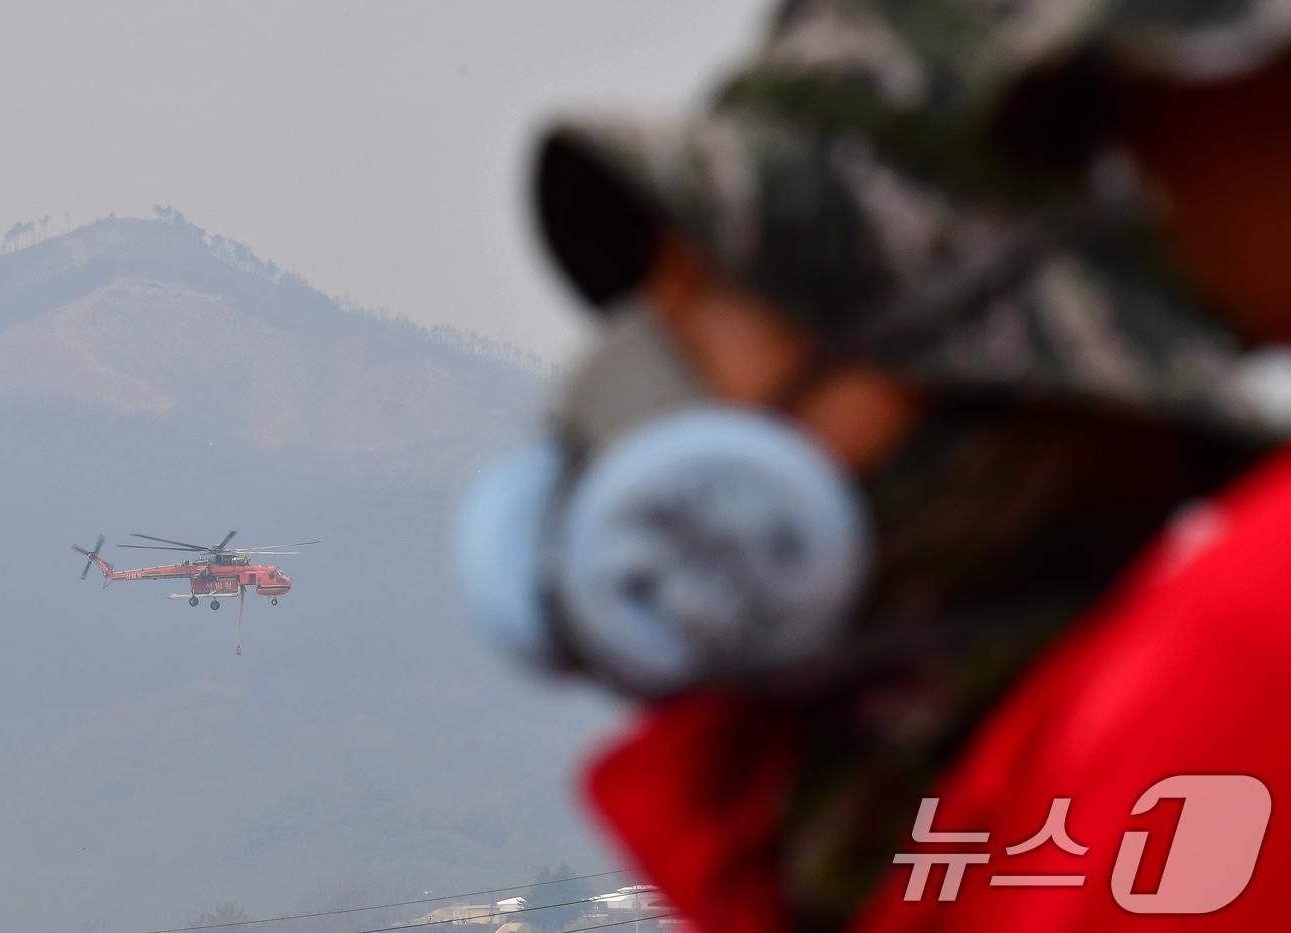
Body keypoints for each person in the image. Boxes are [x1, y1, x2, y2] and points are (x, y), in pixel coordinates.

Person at [458, 2, 1291, 930]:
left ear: (970, 333)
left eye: (704, 290)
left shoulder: (1241, 671)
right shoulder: (906, 811)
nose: (628, 375)